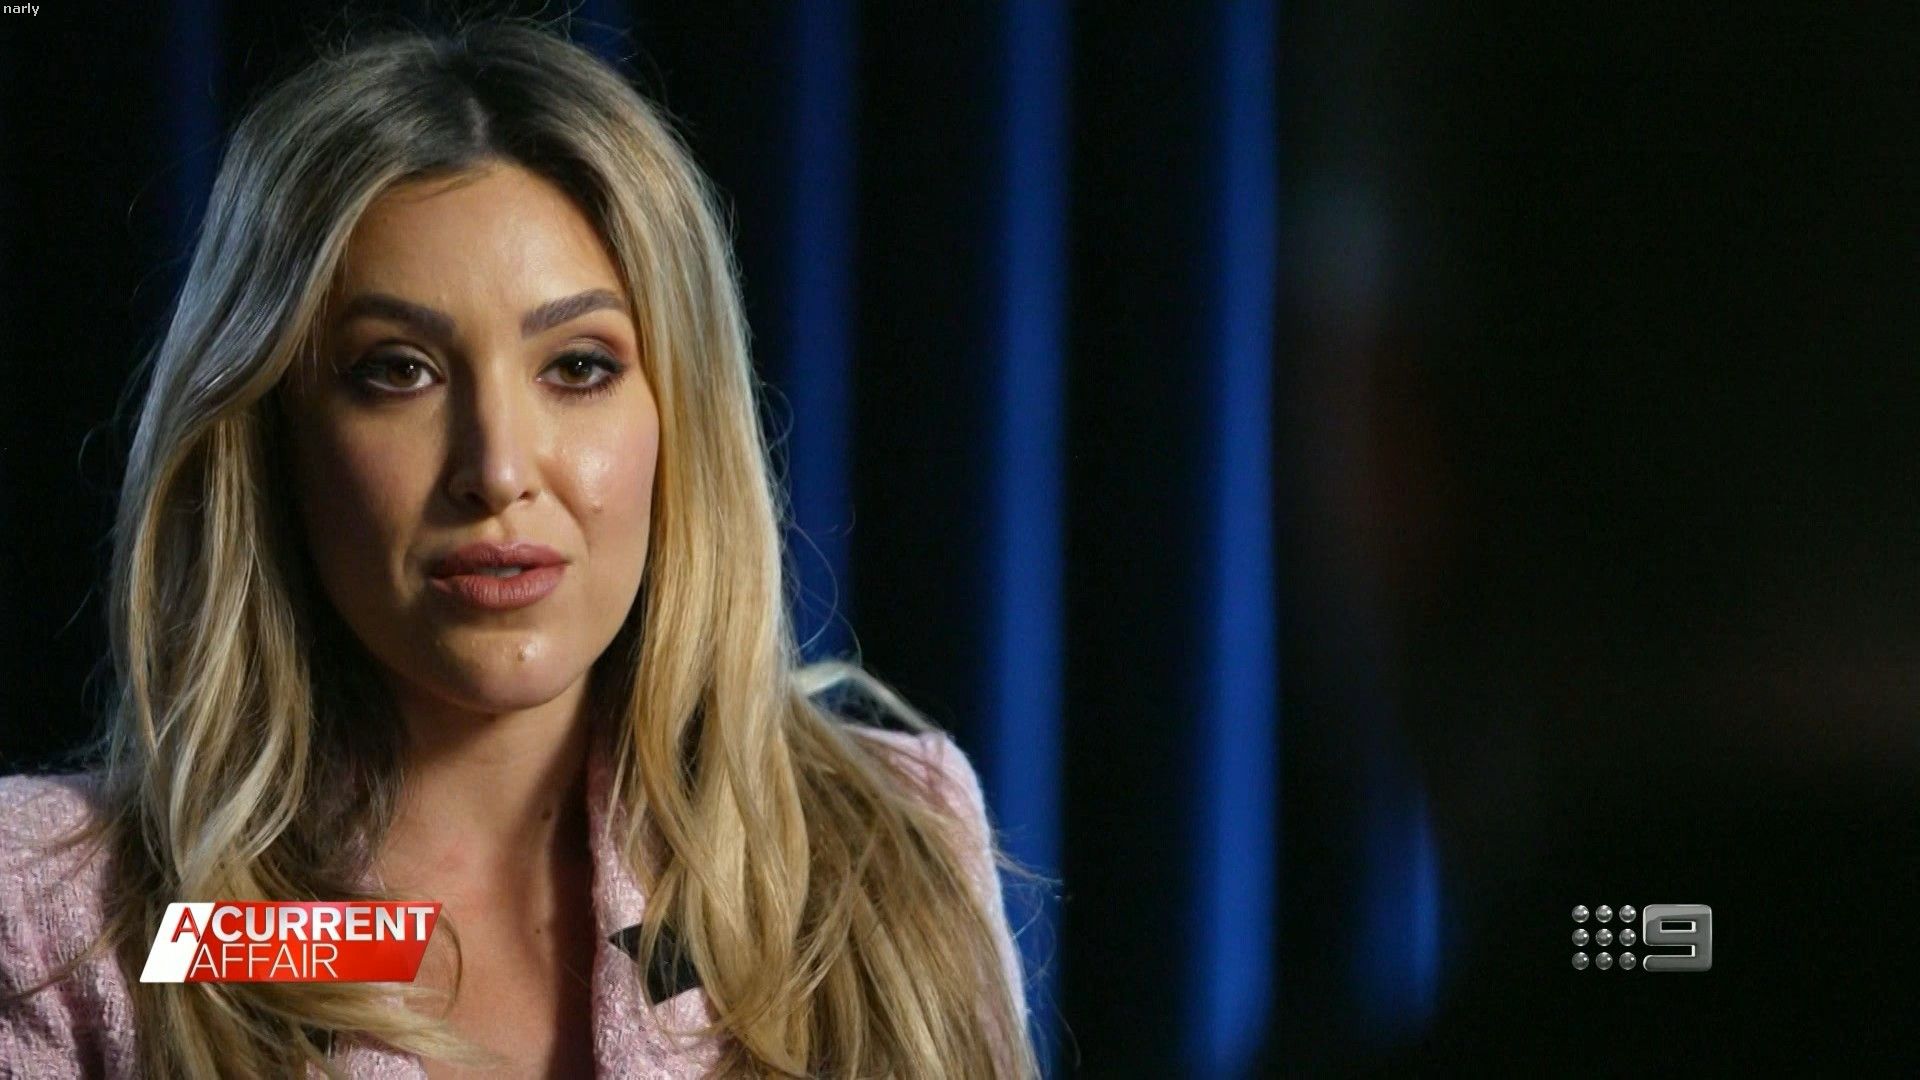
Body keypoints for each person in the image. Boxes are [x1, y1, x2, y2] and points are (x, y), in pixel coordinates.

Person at [0, 18, 1038, 1080]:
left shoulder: (886, 845)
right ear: (271, 436)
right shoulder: (69, 915)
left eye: (578, 367)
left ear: (680, 419)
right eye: (398, 370)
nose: (496, 470)